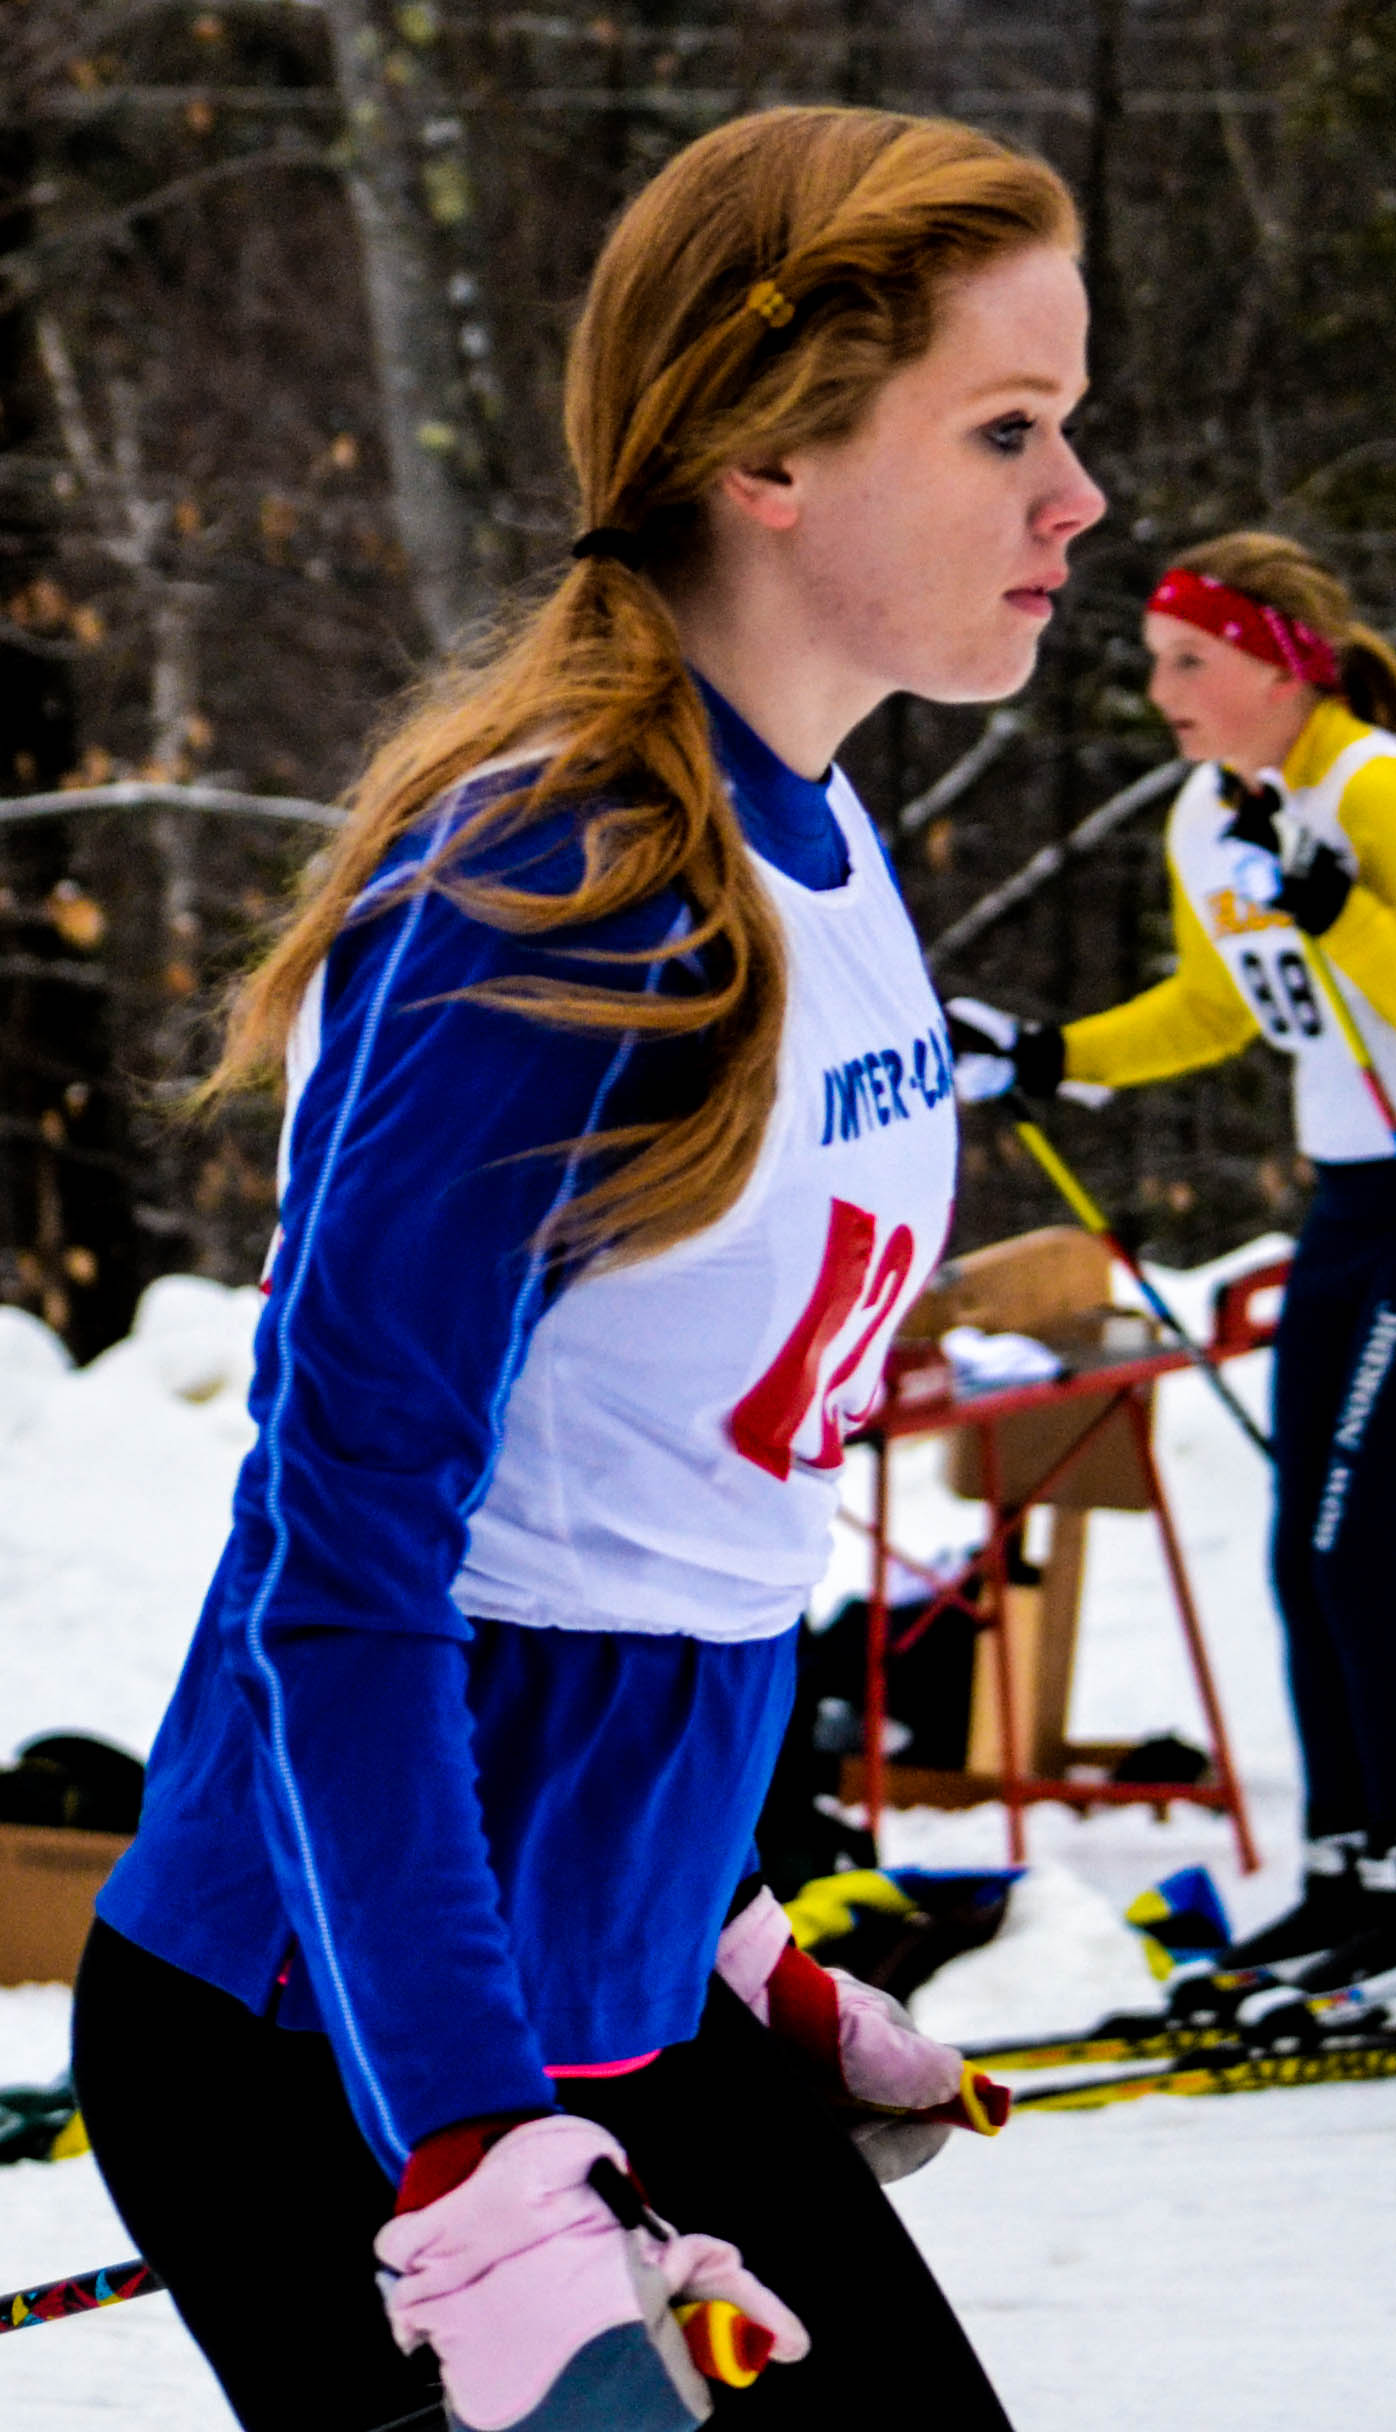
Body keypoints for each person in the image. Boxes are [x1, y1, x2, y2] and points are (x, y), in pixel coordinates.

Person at [71, 104, 1103, 2432]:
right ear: (768, 455)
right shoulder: (557, 894)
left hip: (613, 1979)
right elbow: (342, 1561)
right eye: (1005, 430)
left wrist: (709, 1911)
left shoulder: (808, 830)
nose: (1077, 499)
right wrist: (469, 2160)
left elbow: (649, 1492)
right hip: (343, 2036)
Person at [949, 530, 1396, 1988]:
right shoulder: (1212, 816)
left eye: (1189, 662)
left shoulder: (1369, 787)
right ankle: (1345, 1868)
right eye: (1153, 663)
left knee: (1356, 1542)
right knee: (1305, 1546)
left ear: (1284, 664)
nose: (1161, 694)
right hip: (1352, 1201)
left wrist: (1344, 913)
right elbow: (1218, 1005)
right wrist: (1051, 1055)